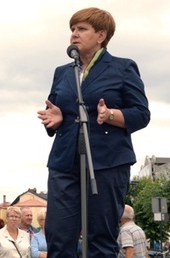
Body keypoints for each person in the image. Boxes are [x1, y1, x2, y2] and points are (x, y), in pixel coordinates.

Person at [37, 7, 150, 257]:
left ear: (101, 35)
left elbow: (141, 114)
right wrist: (56, 118)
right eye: (72, 29)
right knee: (58, 235)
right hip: (64, 162)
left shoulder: (123, 68)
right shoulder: (62, 72)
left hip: (107, 163)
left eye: (81, 29)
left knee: (101, 238)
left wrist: (110, 115)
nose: (74, 35)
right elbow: (55, 110)